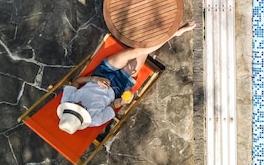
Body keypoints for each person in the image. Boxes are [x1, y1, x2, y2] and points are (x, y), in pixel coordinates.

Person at [57, 21, 196, 134]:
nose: (79, 104)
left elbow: (76, 82)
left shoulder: (66, 101)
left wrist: (94, 80)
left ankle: (174, 32)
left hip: (101, 74)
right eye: (81, 109)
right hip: (118, 86)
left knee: (136, 51)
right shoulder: (95, 120)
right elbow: (114, 105)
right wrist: (124, 100)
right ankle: (171, 33)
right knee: (142, 53)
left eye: (76, 105)